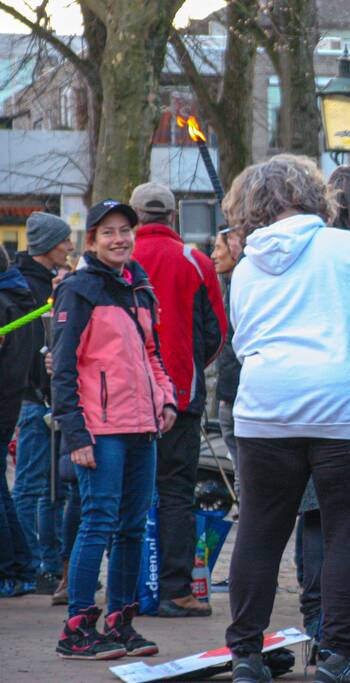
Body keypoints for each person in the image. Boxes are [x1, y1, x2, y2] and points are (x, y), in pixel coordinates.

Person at [221, 155, 350, 683]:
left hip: (267, 411)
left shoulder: (246, 266)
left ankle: (246, 652)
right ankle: (339, 654)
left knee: (259, 531)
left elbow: (243, 343)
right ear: (317, 195)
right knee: (348, 533)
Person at [51, 199, 178, 661]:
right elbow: (62, 370)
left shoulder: (139, 289)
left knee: (130, 527)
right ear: (92, 240)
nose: (119, 239)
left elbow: (151, 355)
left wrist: (166, 399)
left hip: (142, 428)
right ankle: (77, 627)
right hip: (100, 431)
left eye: (126, 230)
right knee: (98, 522)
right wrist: (77, 435)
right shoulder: (78, 290)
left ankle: (121, 622)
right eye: (108, 232)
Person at [129, 182, 226, 618]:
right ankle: (174, 590)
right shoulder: (195, 260)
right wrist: (185, 367)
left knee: (121, 493)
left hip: (122, 400)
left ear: (133, 217)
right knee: (176, 493)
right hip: (179, 397)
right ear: (172, 217)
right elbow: (217, 333)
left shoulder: (116, 258)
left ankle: (125, 591)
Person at [12, 212, 74, 596]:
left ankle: (49, 563)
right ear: (50, 245)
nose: (70, 247)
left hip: (46, 398)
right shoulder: (29, 289)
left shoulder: (44, 283)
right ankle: (32, 564)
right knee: (34, 485)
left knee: (57, 489)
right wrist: (40, 387)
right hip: (36, 400)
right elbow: (30, 346)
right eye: (65, 240)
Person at [0, 249, 39, 598]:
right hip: (10, 403)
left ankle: (11, 570)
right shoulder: (16, 296)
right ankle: (21, 567)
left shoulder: (5, 303)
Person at [211, 229, 241, 501]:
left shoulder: (239, 287)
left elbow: (232, 345)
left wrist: (227, 395)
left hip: (236, 392)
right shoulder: (230, 286)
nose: (213, 255)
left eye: (218, 248)